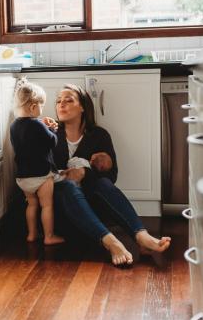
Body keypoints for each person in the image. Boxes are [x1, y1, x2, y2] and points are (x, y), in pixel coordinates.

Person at [43, 84, 171, 266]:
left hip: (95, 211)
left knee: (103, 184)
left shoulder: (99, 135)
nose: (61, 104)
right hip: (62, 213)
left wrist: (84, 173)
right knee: (67, 187)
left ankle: (141, 237)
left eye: (68, 100)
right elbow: (38, 171)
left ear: (83, 107)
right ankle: (112, 242)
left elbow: (111, 177)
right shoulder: (49, 135)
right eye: (58, 101)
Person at [10, 79, 65, 245]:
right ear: (33, 106)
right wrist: (52, 129)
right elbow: (52, 142)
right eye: (41, 106)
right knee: (46, 205)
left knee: (32, 205)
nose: (42, 110)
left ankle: (31, 234)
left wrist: (43, 127)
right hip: (41, 175)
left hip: (23, 177)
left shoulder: (14, 125)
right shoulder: (37, 125)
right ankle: (49, 236)